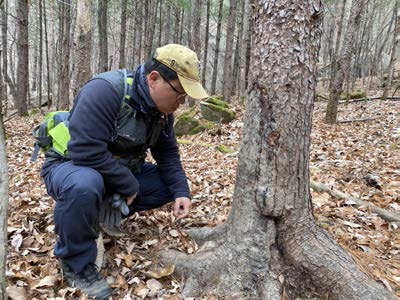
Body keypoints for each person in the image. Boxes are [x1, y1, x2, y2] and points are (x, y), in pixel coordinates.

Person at [40, 44, 208, 299]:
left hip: (116, 171)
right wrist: (128, 185)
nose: (181, 103)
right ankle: (76, 265)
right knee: (85, 185)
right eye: (179, 93)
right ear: (154, 79)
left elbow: (168, 153)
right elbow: (85, 151)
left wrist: (181, 191)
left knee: (167, 186)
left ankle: (99, 211)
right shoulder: (104, 91)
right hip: (70, 167)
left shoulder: (162, 113)